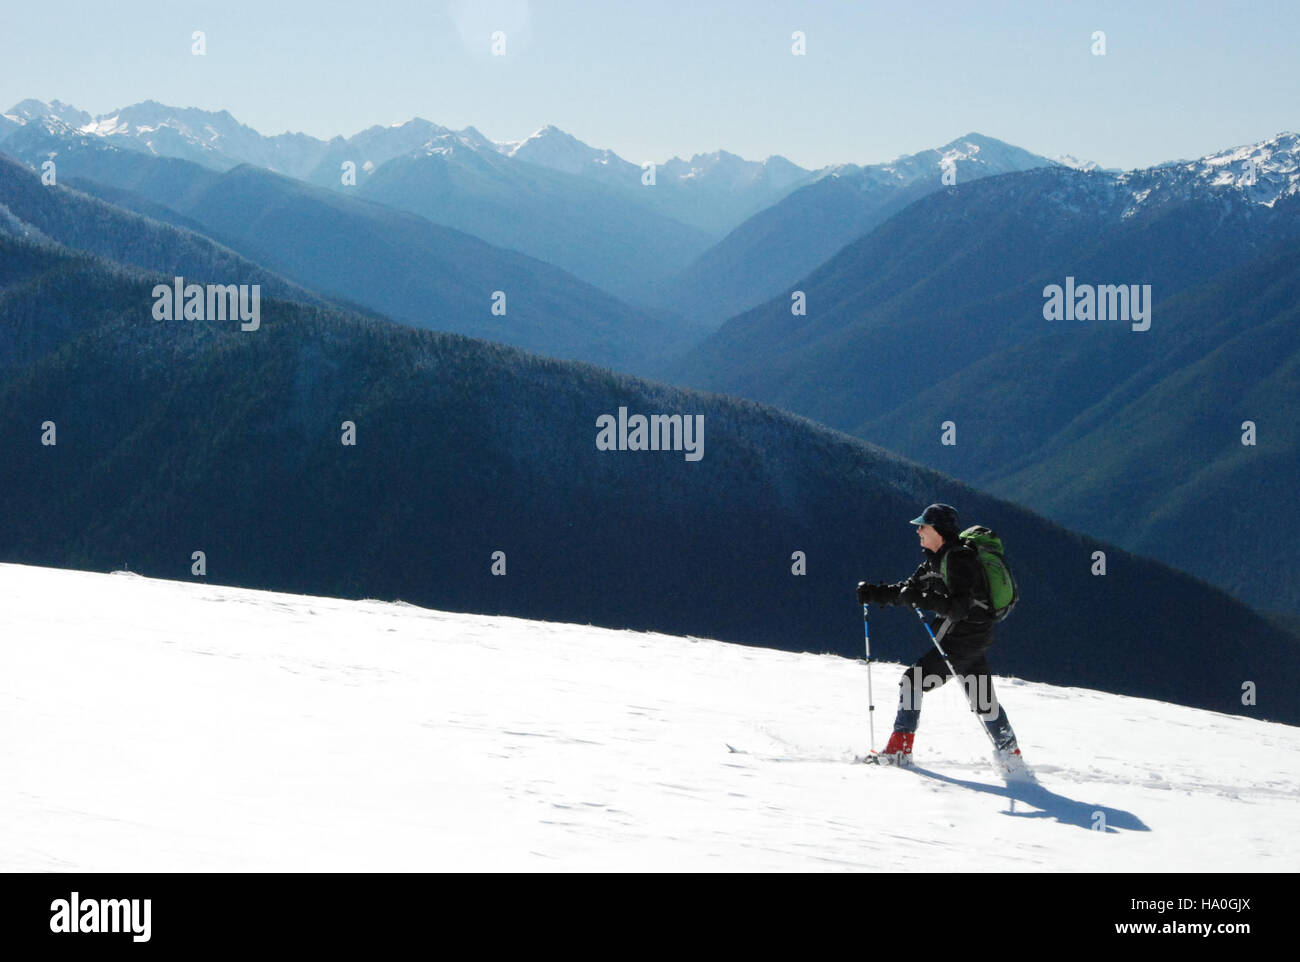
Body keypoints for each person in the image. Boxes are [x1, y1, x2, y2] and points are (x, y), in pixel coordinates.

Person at [856, 503, 1024, 771]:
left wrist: (922, 598)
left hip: (963, 639)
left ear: (939, 530)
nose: (918, 531)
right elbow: (907, 591)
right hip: (974, 639)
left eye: (923, 526)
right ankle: (1012, 758)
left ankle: (900, 749)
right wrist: (875, 593)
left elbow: (958, 608)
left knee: (912, 682)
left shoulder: (959, 560)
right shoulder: (935, 560)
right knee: (983, 701)